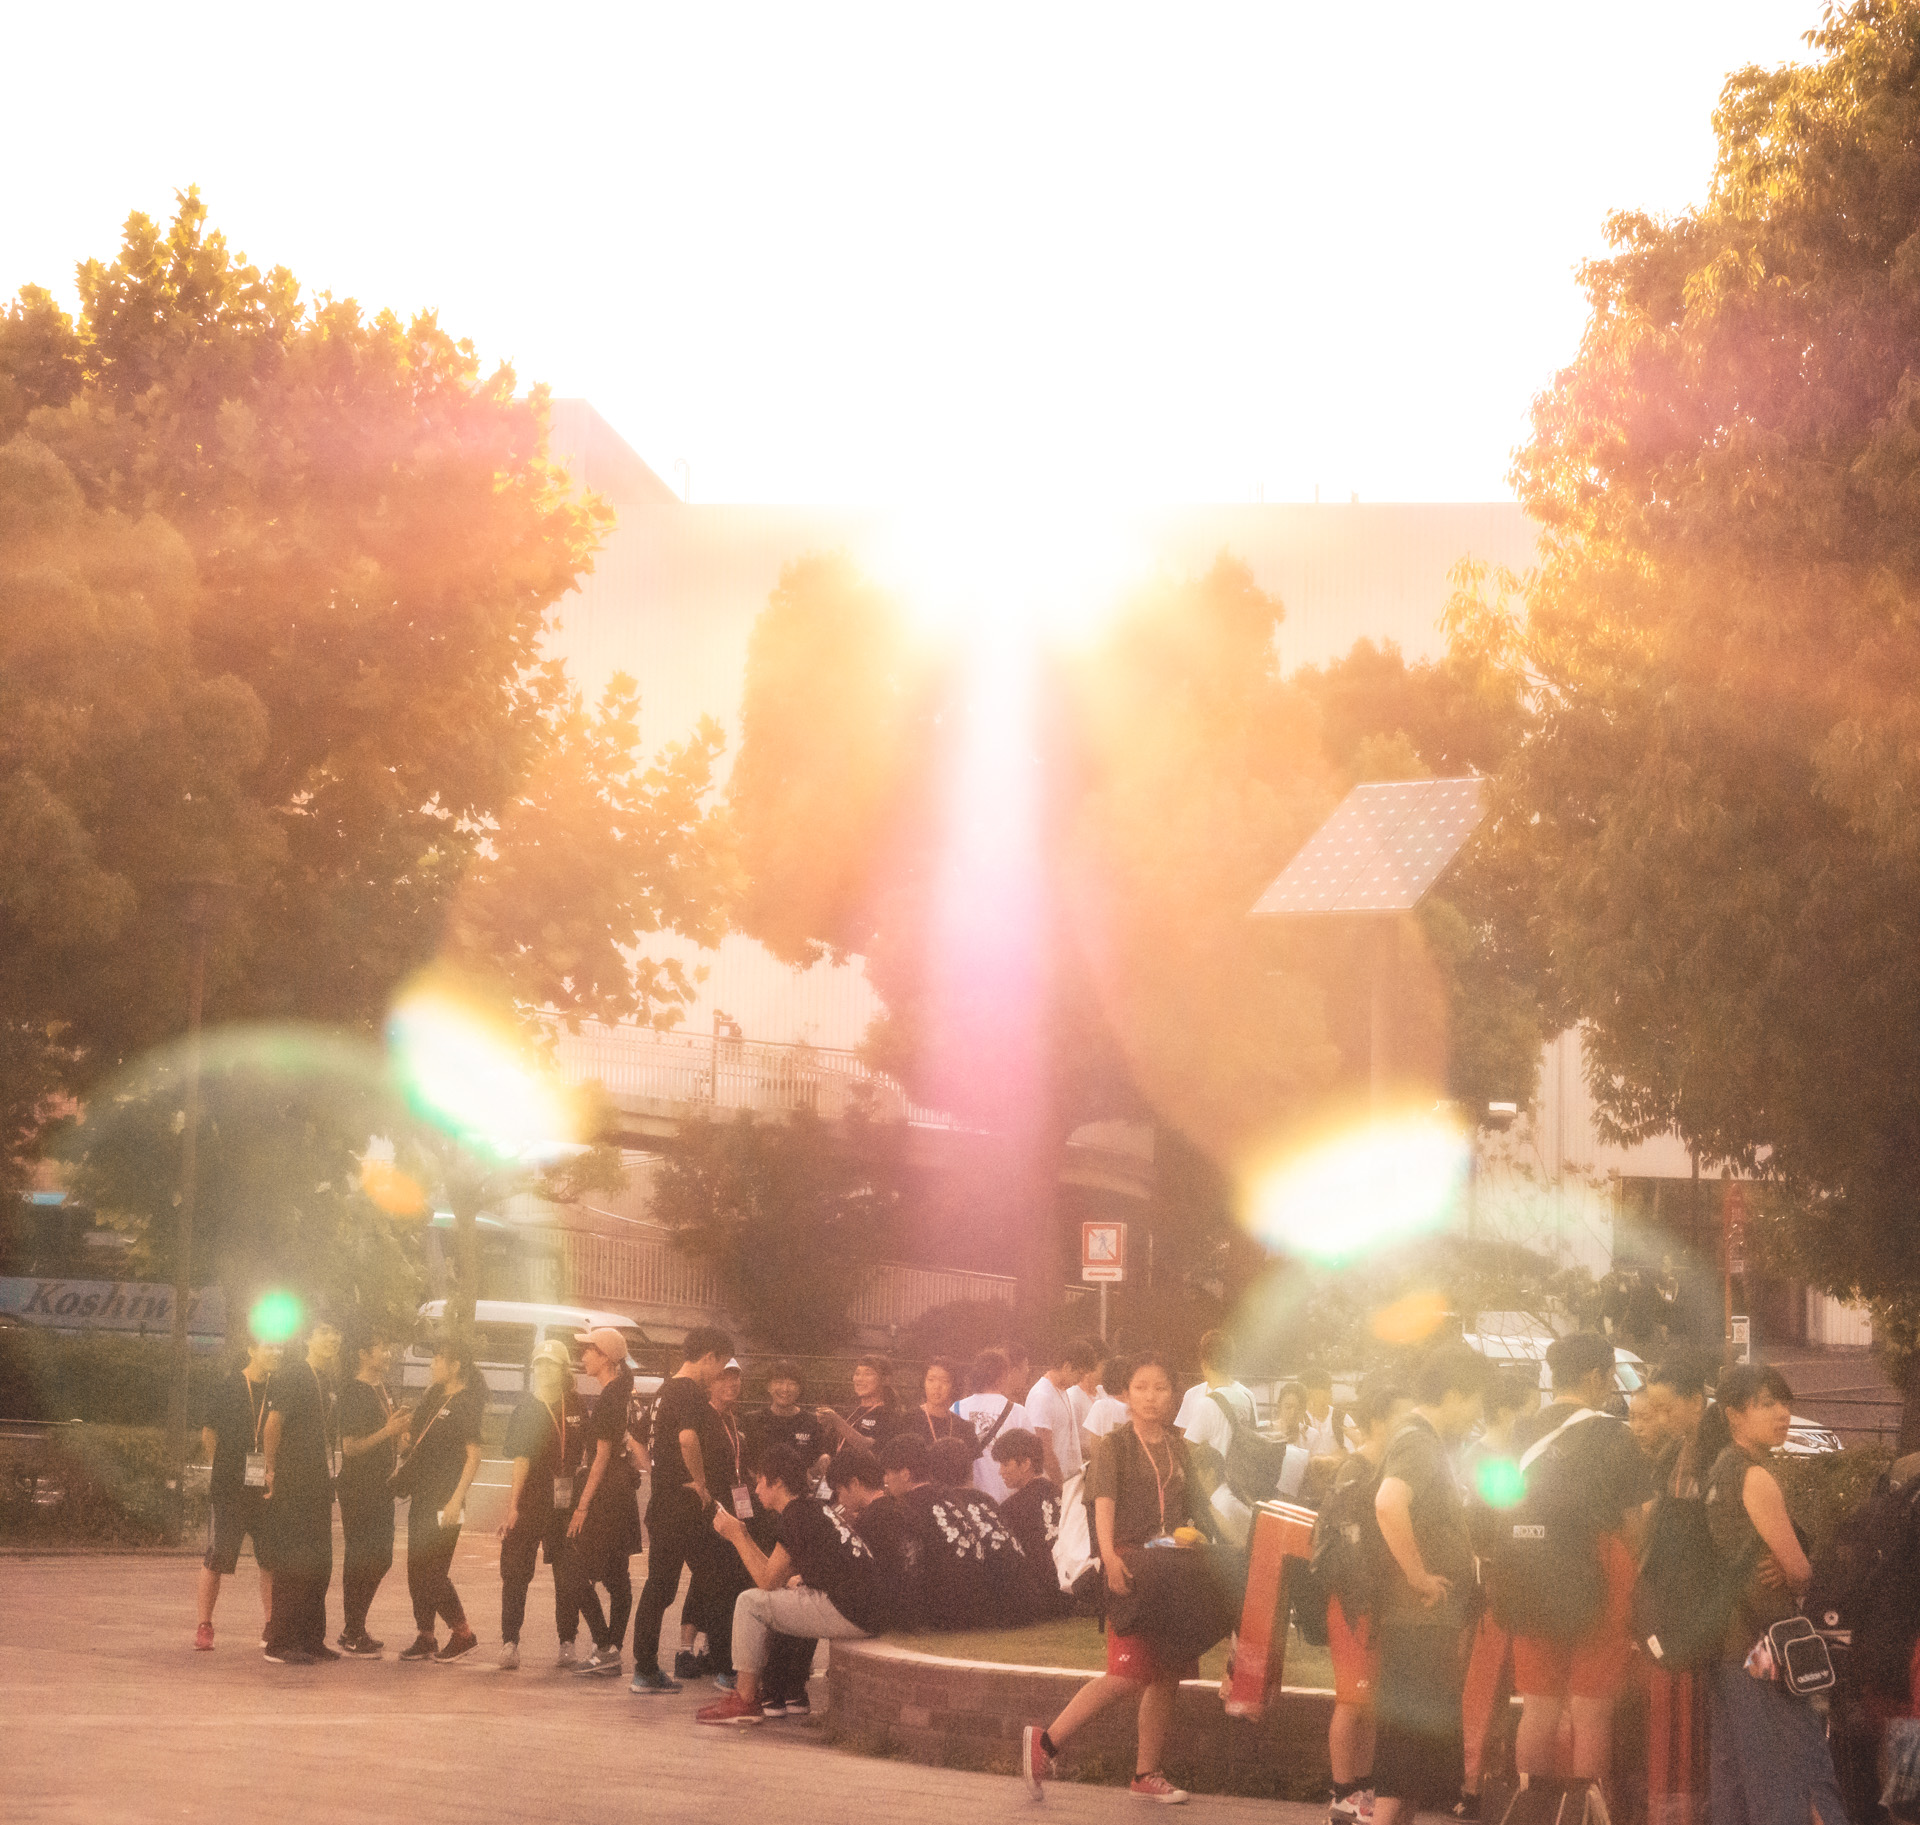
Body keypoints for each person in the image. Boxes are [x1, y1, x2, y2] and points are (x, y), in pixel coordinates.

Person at [1020, 1352, 1234, 1806]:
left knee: (1168, 1674)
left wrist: (1229, 1546)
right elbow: (1104, 1502)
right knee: (1126, 1673)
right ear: (1126, 1394)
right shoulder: (1115, 1445)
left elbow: (1199, 1507)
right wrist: (1110, 1557)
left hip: (1173, 1571)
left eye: (1160, 1388)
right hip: (1132, 1564)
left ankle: (1146, 1773)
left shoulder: (1179, 1446)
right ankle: (1046, 1743)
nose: (1151, 1397)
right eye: (1141, 1387)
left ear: (1173, 1395)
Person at [1700, 1362, 1852, 1825]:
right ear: (1734, 1413)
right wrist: (1793, 1573)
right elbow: (1800, 1571)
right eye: (1766, 1404)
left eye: (1784, 1402)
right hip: (1768, 1649)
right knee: (1796, 1773)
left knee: (1737, 1779)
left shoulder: (1717, 1471)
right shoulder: (1754, 1477)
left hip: (1729, 1646)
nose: (1782, 1413)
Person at [1505, 1331, 1652, 1793]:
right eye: (1610, 1376)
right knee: (1591, 1713)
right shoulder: (1614, 1435)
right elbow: (1633, 1524)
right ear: (1594, 1376)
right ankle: (1587, 1812)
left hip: (1529, 1573)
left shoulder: (1521, 1432)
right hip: (1601, 1573)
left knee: (1538, 1710)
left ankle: (1531, 1810)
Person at [1370, 1339, 1489, 1825]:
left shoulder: (1422, 1439)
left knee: (1415, 1767)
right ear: (1455, 1394)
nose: (1479, 1413)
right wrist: (1418, 1576)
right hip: (1416, 1620)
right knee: (1405, 1759)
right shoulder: (1419, 1442)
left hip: (1423, 1620)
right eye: (1477, 1400)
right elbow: (1387, 1502)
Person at [696, 1443, 892, 1725]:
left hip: (852, 1611)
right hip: (865, 1608)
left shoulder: (797, 1515)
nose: (756, 1490)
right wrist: (743, 1535)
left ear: (777, 1482)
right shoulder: (810, 1509)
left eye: (760, 1481)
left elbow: (765, 1582)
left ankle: (745, 1699)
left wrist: (737, 1537)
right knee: (784, 1591)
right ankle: (785, 1691)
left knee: (749, 1603)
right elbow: (774, 1576)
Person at [1317, 1373, 1414, 1825]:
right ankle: (1342, 1794)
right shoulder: (1357, 1470)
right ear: (1377, 1419)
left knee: (1371, 1700)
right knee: (1352, 1698)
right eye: (1402, 1416)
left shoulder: (1390, 1467)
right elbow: (1347, 1546)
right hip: (1355, 1601)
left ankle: (1363, 1790)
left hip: (1380, 1601)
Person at [628, 1324, 734, 1694]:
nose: (719, 1376)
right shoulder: (689, 1391)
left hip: (664, 1505)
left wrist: (659, 1472)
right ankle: (727, 1670)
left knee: (659, 1588)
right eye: (720, 1366)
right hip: (687, 1509)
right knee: (718, 1583)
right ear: (710, 1357)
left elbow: (638, 1440)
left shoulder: (664, 1390)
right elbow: (687, 1438)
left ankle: (644, 1671)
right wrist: (700, 1482)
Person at [1457, 1366, 1536, 1820]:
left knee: (1505, 1688)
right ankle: (1472, 1783)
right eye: (1529, 1407)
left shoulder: (1510, 1454)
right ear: (1507, 1411)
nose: (1535, 1416)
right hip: (1493, 1586)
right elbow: (1508, 1507)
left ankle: (1495, 1779)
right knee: (1485, 1687)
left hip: (1516, 1582)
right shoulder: (1483, 1459)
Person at [392, 1339, 484, 1662]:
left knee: (433, 1574)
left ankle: (464, 1634)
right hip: (422, 1494)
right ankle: (425, 1636)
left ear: (456, 1365)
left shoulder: (467, 1403)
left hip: (445, 1500)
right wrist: (404, 1436)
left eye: (439, 1359)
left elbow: (474, 1456)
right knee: (416, 1569)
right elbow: (416, 1438)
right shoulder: (433, 1395)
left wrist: (456, 1499)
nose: (432, 1364)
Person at [495, 1339, 582, 1670]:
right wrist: (513, 1506)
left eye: (551, 1364)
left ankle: (567, 1641)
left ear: (563, 1369)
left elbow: (588, 1449)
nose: (544, 1370)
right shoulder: (526, 1409)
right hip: (532, 1502)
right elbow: (521, 1460)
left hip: (566, 1505)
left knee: (568, 1574)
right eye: (539, 1364)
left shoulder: (575, 1405)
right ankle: (510, 1643)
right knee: (516, 1573)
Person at [194, 1331, 283, 1650]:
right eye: (269, 1346)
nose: (275, 1352)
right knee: (218, 1556)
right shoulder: (228, 1386)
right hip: (230, 1490)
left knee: (270, 1559)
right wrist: (223, 1468)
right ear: (251, 1349)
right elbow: (209, 1433)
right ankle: (204, 1625)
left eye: (279, 1346)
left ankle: (272, 1625)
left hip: (265, 1489)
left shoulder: (279, 1388)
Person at [566, 1325, 645, 1678]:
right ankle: (611, 1650)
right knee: (617, 1577)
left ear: (607, 1357)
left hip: (605, 1497)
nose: (583, 1356)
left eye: (589, 1350)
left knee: (574, 1573)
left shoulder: (611, 1398)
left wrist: (582, 1506)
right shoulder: (623, 1394)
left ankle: (605, 1646)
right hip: (619, 1495)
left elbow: (601, 1458)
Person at [261, 1318, 342, 1665]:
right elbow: (273, 1424)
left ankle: (311, 1639)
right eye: (324, 1332)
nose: (332, 1338)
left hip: (320, 1483)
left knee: (320, 1563)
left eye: (336, 1333)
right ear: (308, 1339)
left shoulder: (326, 1379)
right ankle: (280, 1642)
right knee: (294, 1561)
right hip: (294, 1482)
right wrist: (271, 1470)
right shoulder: (295, 1374)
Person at [892, 1432, 1029, 1629]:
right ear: (969, 1468)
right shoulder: (987, 1500)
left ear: (932, 1472)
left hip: (984, 1606)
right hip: (1020, 1596)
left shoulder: (940, 1504)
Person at [334, 1325, 409, 1656]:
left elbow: (391, 1435)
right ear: (363, 1354)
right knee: (360, 1557)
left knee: (382, 1557)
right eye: (381, 1348)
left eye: (388, 1347)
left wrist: (402, 1436)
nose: (388, 1354)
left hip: (383, 1485)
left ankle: (354, 1626)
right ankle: (353, 1630)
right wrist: (387, 1431)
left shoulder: (385, 1387)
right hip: (358, 1487)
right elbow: (350, 1448)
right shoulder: (353, 1392)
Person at [684, 1357, 755, 1689]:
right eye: (723, 1378)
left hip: (734, 1510)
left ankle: (719, 1657)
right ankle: (725, 1666)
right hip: (709, 1513)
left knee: (730, 1586)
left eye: (735, 1378)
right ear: (709, 1383)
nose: (731, 1384)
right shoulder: (701, 1417)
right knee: (718, 1588)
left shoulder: (733, 1419)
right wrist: (700, 1489)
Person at [991, 1427, 1069, 1620]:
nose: (1000, 1471)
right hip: (1069, 1590)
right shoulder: (1061, 1494)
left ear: (1026, 1464)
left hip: (1040, 1598)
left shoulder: (1010, 1508)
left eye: (1005, 1464)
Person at [954, 1348, 1031, 1503]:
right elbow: (1030, 1461)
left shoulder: (957, 1409)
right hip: (1009, 1500)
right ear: (1002, 1377)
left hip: (968, 1500)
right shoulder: (1017, 1412)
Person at [1026, 1338, 1099, 1486]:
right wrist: (1059, 1486)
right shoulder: (1042, 1395)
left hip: (1070, 1483)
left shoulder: (1062, 1391)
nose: (1081, 1380)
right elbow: (1043, 1449)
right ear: (1067, 1367)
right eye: (1080, 1374)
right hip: (1050, 1486)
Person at [818, 1353, 907, 1459]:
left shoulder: (890, 1416)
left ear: (885, 1380)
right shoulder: (849, 1412)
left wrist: (837, 1421)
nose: (859, 1379)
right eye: (857, 1374)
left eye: (868, 1374)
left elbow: (866, 1446)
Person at [749, 1362, 822, 1463]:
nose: (785, 1389)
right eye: (779, 1382)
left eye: (792, 1384)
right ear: (768, 1387)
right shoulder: (752, 1420)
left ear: (799, 1389)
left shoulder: (813, 1422)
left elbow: (818, 1462)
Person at [915, 1358, 969, 1445]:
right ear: (923, 1383)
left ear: (954, 1386)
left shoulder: (964, 1428)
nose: (937, 1386)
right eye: (931, 1380)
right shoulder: (908, 1421)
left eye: (944, 1381)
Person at [1300, 1368, 1346, 1460]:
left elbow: (1351, 1452)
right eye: (1325, 1389)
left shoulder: (1341, 1418)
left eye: (1329, 1388)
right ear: (1309, 1393)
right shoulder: (1300, 1420)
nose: (1330, 1393)